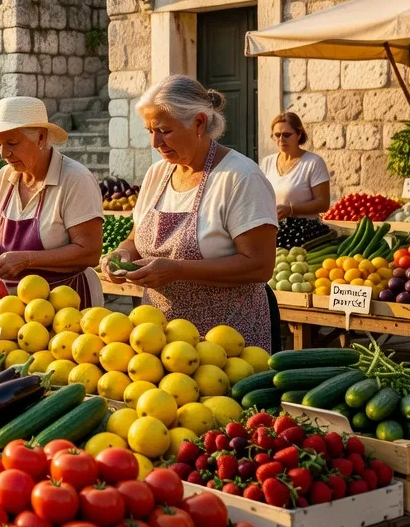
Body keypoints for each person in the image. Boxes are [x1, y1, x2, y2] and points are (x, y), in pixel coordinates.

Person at [102, 76, 279, 350]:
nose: (155, 142)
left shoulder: (241, 177)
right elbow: (136, 237)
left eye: (164, 130)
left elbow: (260, 265)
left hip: (225, 343)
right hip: (158, 342)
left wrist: (177, 270)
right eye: (149, 130)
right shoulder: (157, 174)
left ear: (199, 123)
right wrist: (122, 253)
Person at [0, 97, 105, 307]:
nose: (4, 154)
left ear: (41, 137)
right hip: (13, 306)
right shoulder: (5, 176)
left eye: (12, 143)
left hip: (67, 304)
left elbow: (90, 252)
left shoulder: (75, 179)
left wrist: (28, 259)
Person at [261, 113, 331, 220]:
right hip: (274, 229)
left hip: (304, 231)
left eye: (286, 135)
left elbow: (323, 203)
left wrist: (291, 209)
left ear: (299, 134)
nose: (281, 139)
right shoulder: (267, 162)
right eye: (277, 135)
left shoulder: (313, 163)